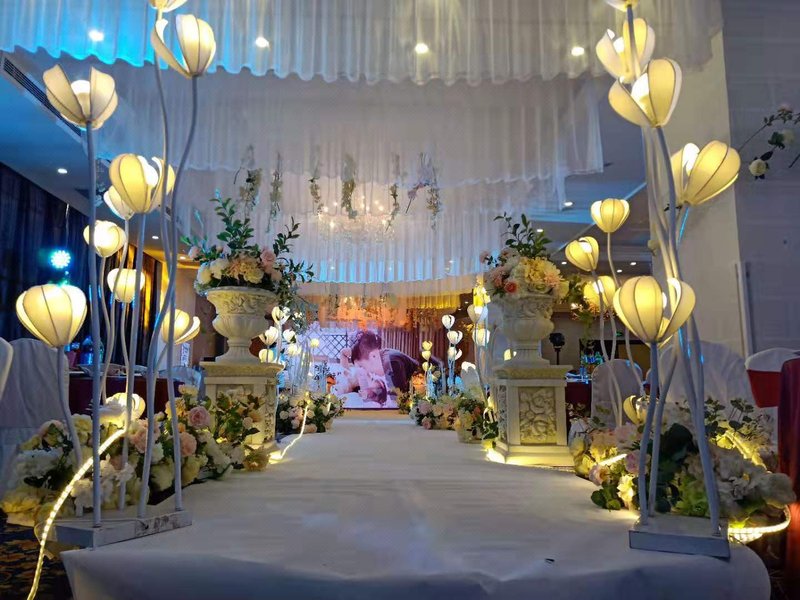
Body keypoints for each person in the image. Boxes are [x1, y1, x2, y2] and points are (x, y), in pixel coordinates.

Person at [350, 331, 420, 397]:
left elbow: (397, 397)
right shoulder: (381, 357)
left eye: (363, 367)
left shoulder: (391, 363)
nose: (364, 371)